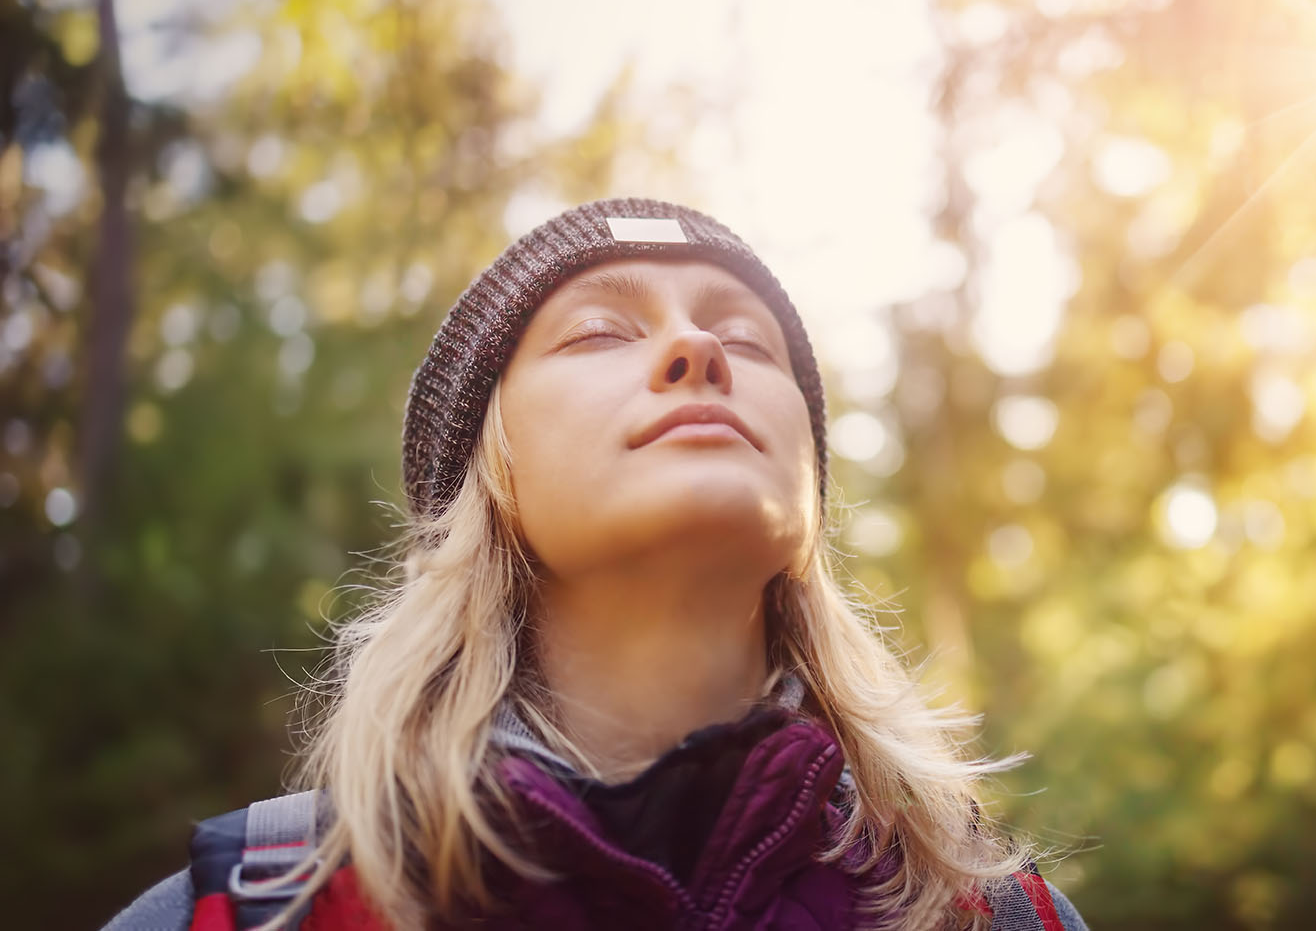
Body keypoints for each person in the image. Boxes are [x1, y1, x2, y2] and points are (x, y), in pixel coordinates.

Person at [103, 198, 1088, 930]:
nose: (699, 348)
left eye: (746, 339)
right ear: (485, 480)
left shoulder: (991, 913)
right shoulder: (249, 909)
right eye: (601, 331)